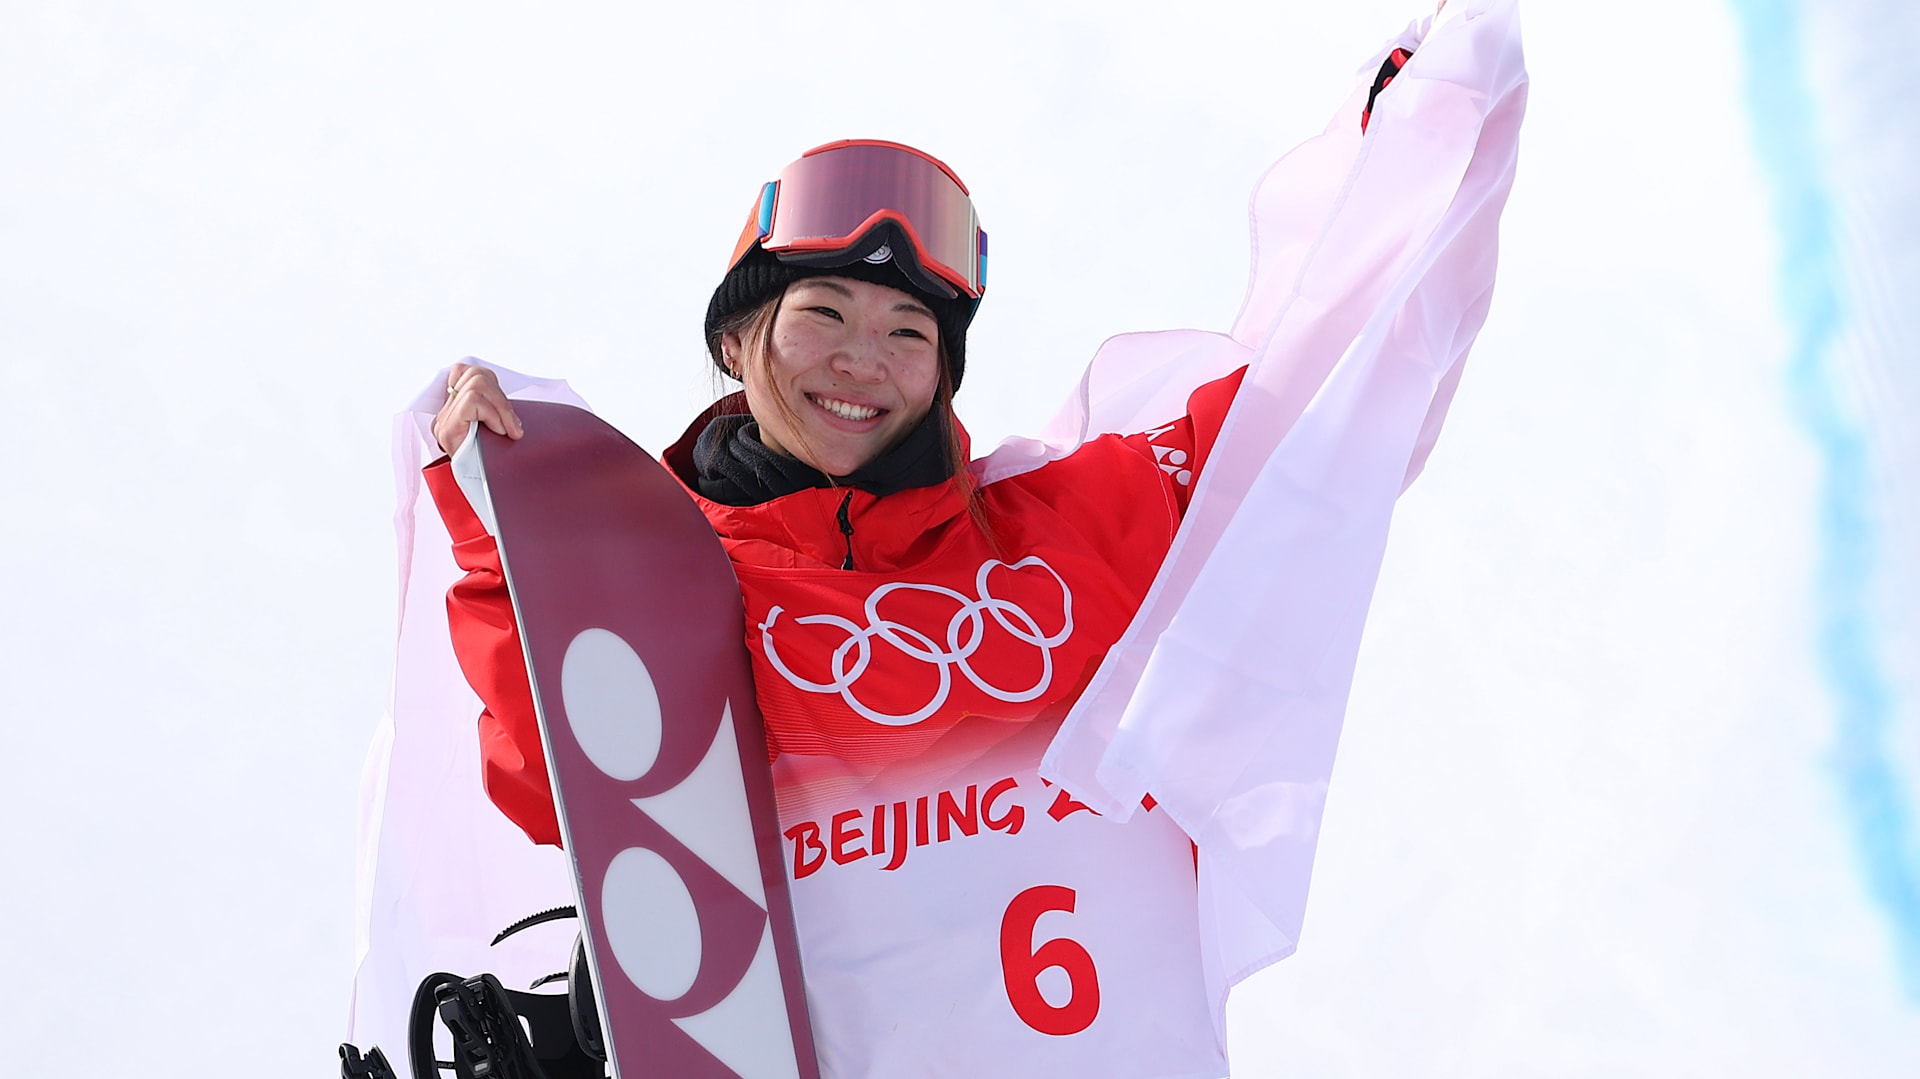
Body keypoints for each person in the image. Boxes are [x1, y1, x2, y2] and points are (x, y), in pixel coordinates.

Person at [354, 3, 1527, 1075]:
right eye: (821, 314)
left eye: (909, 328)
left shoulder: (1078, 524)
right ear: (737, 340)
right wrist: (506, 528)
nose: (863, 361)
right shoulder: (667, 581)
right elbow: (560, 785)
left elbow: (1314, 413)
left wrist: (1422, 126)